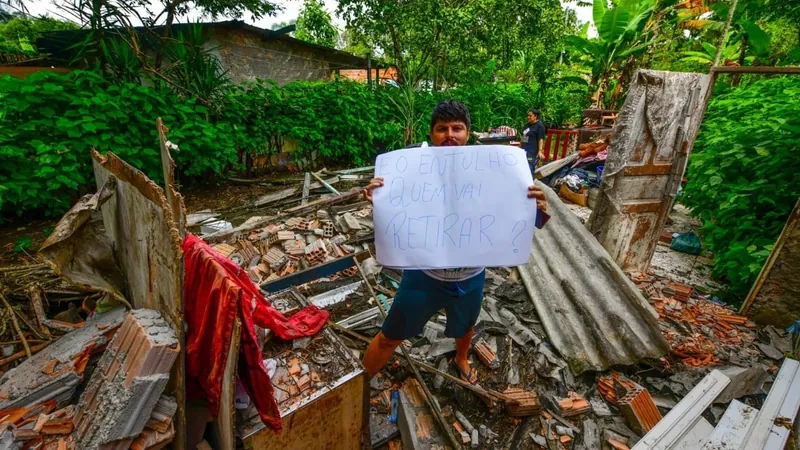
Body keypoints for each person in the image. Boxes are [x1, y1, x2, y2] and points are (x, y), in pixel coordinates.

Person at [360, 100, 549, 384]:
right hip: (424, 277)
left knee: (466, 327)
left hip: (471, 278)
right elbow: (394, 208)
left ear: (468, 133)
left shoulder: (496, 170)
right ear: (432, 134)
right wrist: (378, 198)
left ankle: (461, 358)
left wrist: (538, 208)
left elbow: (522, 220)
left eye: (457, 128)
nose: (450, 134)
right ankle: (357, 387)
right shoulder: (411, 169)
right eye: (442, 129)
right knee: (389, 337)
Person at [522, 108, 546, 173]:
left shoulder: (539, 125)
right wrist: (520, 147)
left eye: (530, 116)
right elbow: (524, 137)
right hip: (524, 150)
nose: (528, 117)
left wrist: (540, 151)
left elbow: (540, 139)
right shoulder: (526, 125)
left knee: (529, 168)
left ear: (535, 116)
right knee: (523, 167)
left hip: (532, 152)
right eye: (527, 115)